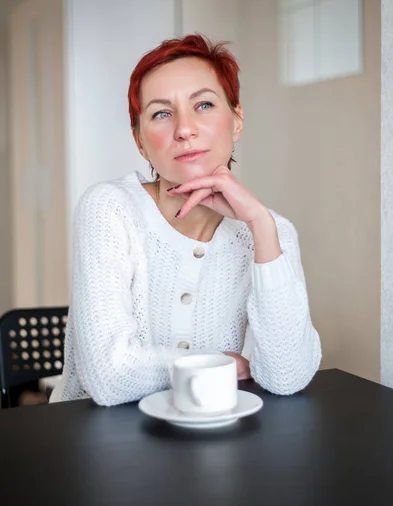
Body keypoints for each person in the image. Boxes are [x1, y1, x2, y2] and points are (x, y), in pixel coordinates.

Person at [51, 34, 322, 406]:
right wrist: (216, 364)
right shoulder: (109, 209)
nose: (184, 129)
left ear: (237, 121)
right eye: (162, 113)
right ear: (140, 141)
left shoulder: (271, 233)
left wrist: (260, 224)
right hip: (96, 441)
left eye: (204, 105)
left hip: (214, 437)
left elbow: (287, 377)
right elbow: (109, 378)